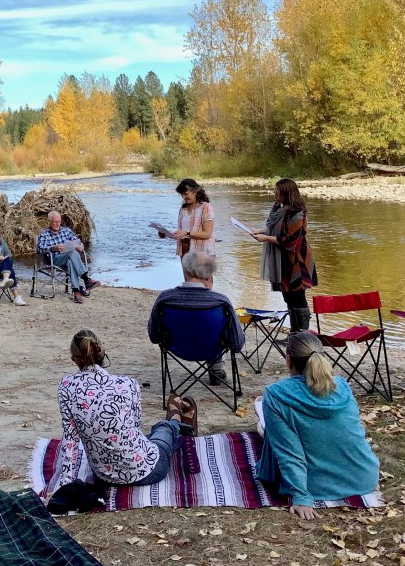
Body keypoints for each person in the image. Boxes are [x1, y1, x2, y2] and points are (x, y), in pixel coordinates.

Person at [255, 332, 380, 520]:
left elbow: (289, 452)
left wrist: (301, 497)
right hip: (364, 478)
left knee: (268, 430)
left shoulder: (275, 395)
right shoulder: (342, 386)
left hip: (315, 487)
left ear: (288, 360)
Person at [58, 329, 196, 486]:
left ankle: (176, 423)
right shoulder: (128, 384)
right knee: (163, 428)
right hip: (147, 471)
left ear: (75, 360)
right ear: (102, 353)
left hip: (104, 476)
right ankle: (176, 419)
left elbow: (70, 440)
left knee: (154, 435)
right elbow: (135, 427)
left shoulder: (66, 386)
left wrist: (65, 485)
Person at [147, 252, 245, 386]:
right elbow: (237, 342)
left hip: (177, 348)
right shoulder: (221, 301)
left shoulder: (165, 298)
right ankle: (216, 371)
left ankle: (215, 370)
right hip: (212, 349)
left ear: (185, 270)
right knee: (217, 333)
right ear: (209, 275)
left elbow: (154, 335)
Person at [251, 178, 318, 333]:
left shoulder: (297, 212)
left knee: (297, 298)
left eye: (277, 192)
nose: (274, 194)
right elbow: (279, 230)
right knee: (288, 297)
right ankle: (294, 333)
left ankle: (301, 336)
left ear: (286, 193)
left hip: (297, 260)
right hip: (284, 260)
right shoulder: (280, 208)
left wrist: (266, 238)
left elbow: (290, 240)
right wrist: (261, 231)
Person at [36, 211, 100, 304]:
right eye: (55, 222)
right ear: (49, 221)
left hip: (68, 258)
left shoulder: (66, 231)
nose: (57, 224)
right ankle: (86, 279)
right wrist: (53, 248)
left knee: (71, 260)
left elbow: (77, 241)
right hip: (54, 260)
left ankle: (76, 292)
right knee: (72, 253)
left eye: (59, 221)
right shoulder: (45, 234)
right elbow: (40, 249)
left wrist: (80, 245)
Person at [157, 178, 215, 257]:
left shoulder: (205, 207)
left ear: (195, 191)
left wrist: (186, 233)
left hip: (203, 254)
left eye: (186, 193)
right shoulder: (183, 209)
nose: (183, 197)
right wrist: (166, 234)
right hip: (184, 251)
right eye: (181, 194)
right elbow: (181, 233)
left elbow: (207, 234)